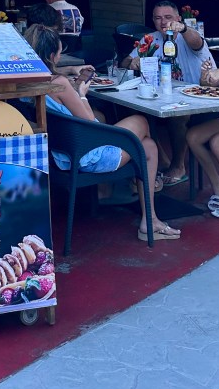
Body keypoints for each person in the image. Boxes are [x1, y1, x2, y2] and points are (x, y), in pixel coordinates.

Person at [28, 24, 178, 242]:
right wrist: (81, 93)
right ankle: (146, 197)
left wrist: (71, 74)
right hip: (89, 157)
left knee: (149, 147)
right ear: (52, 56)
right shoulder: (60, 84)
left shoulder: (30, 81)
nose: (60, 57)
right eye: (59, 53)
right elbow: (89, 120)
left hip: (61, 154)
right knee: (141, 121)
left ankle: (150, 220)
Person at [123, 0, 215, 187]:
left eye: (168, 17)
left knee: (177, 116)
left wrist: (183, 29)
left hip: (200, 97)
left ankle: (178, 166)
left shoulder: (188, 35)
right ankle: (161, 159)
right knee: (135, 112)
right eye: (158, 18)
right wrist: (132, 63)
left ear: (178, 18)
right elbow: (124, 62)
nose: (163, 22)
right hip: (164, 96)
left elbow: (197, 42)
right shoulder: (150, 39)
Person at [186, 24, 219, 218]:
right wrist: (206, 74)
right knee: (193, 136)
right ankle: (218, 182)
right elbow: (208, 85)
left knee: (218, 142)